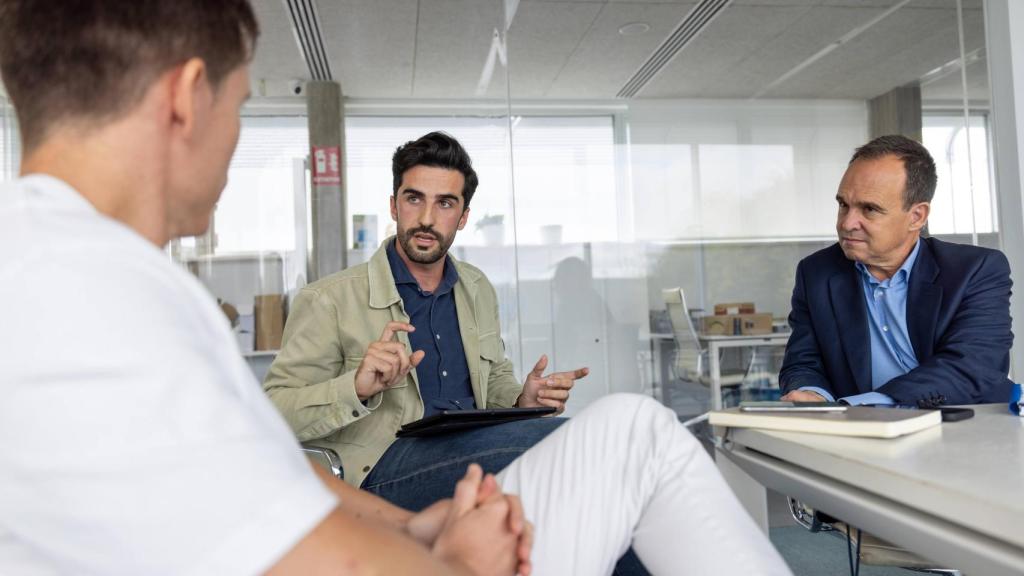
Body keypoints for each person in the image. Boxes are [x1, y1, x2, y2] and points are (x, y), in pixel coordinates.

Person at [0, 1, 793, 574]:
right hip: (395, 465)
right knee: (633, 436)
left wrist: (418, 532)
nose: (234, 140)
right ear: (186, 97)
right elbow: (295, 530)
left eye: (444, 201)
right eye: (239, 107)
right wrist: (447, 560)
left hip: (449, 473)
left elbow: (272, 471)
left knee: (614, 454)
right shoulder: (92, 301)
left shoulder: (95, 278)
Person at [263, 132, 588, 503]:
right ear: (394, 206)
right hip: (382, 470)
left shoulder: (476, 287)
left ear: (464, 217)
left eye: (445, 204)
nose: (427, 219)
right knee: (565, 447)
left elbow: (492, 376)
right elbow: (275, 412)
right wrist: (356, 388)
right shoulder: (328, 299)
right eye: (414, 199)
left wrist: (522, 403)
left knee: (581, 458)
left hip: (475, 452)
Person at [780, 134, 1014, 406]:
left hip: (968, 426)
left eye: (869, 209)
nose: (847, 222)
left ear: (917, 216)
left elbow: (971, 367)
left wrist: (862, 405)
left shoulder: (975, 270)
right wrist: (812, 394)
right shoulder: (816, 273)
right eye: (844, 204)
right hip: (864, 433)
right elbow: (803, 361)